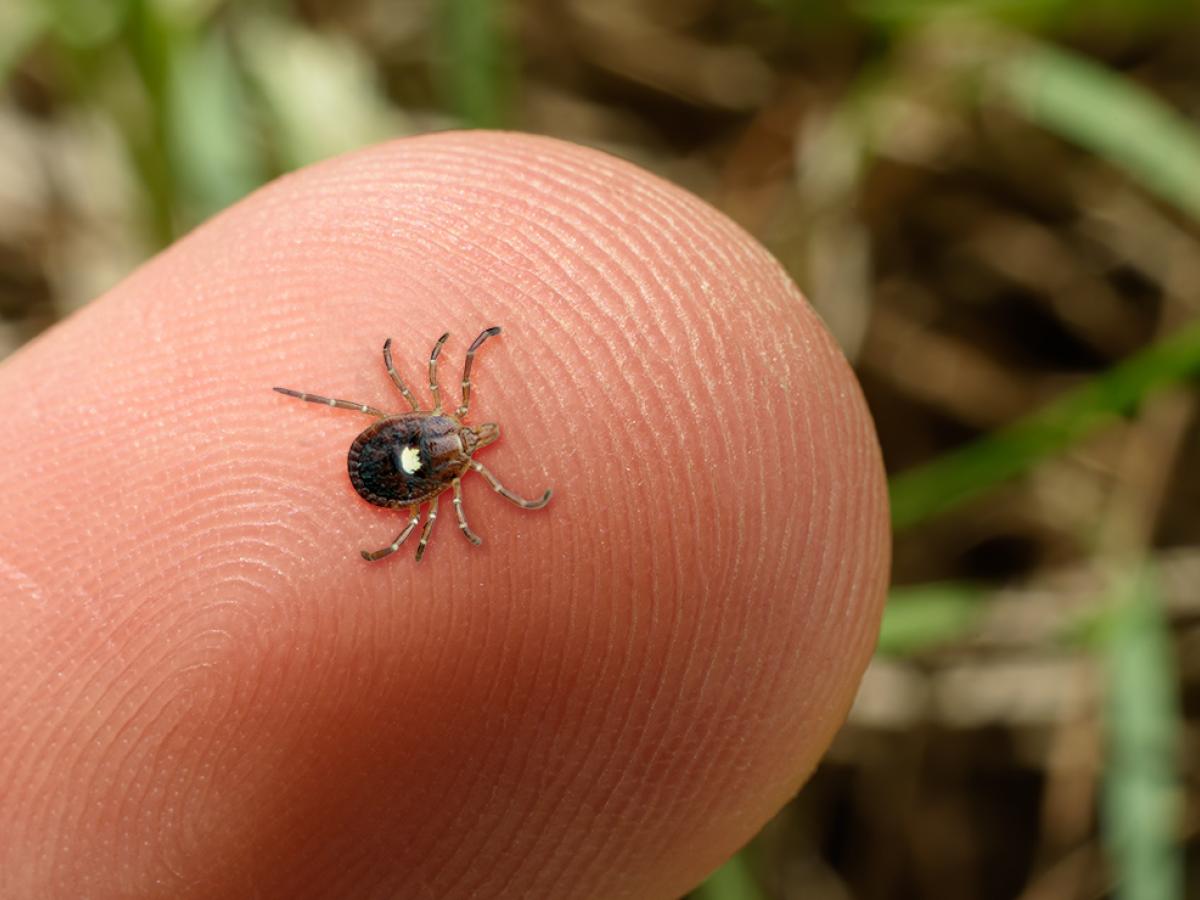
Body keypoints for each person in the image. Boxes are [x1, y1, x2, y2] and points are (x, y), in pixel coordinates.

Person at [0, 131, 889, 899]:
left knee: (408, 446)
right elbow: (441, 457)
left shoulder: (446, 450)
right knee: (410, 453)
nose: (476, 433)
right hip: (391, 469)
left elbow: (428, 417)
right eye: (466, 422)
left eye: (467, 431)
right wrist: (450, 478)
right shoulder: (446, 448)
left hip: (390, 469)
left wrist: (448, 464)